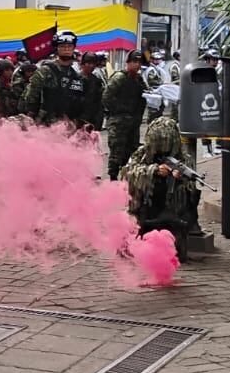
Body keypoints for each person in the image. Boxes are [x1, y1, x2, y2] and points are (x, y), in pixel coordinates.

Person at [121, 115, 201, 261]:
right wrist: (154, 171)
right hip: (146, 205)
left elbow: (190, 183)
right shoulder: (141, 154)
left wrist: (180, 178)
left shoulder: (183, 159)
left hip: (171, 210)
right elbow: (127, 174)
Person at [21, 30, 86, 127]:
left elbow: (80, 102)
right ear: (57, 48)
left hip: (68, 127)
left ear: (73, 48)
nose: (66, 49)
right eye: (63, 46)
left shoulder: (76, 76)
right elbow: (31, 97)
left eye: (69, 46)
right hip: (45, 126)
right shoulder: (45, 71)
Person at [103, 50, 148, 180]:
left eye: (139, 62)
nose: (137, 65)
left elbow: (145, 94)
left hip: (133, 122)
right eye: (134, 62)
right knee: (117, 151)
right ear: (128, 62)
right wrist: (120, 110)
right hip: (118, 121)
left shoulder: (138, 79)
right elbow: (106, 97)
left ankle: (126, 178)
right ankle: (112, 178)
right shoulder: (120, 77)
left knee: (132, 151)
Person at [78, 52, 106, 132]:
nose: (92, 66)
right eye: (88, 63)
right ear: (82, 64)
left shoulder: (96, 81)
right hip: (79, 120)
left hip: (93, 120)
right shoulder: (76, 79)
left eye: (94, 63)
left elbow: (99, 104)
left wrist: (98, 123)